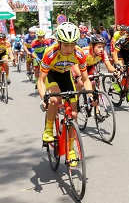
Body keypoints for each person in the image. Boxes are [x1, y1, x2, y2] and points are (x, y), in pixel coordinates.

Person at [38, 23, 94, 166]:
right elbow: (41, 80)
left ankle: (71, 150)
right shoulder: (50, 52)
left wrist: (90, 95)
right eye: (66, 45)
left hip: (65, 75)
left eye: (72, 45)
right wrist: (44, 97)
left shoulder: (79, 53)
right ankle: (49, 129)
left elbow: (85, 79)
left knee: (74, 115)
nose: (70, 49)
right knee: (55, 99)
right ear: (59, 42)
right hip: (51, 75)